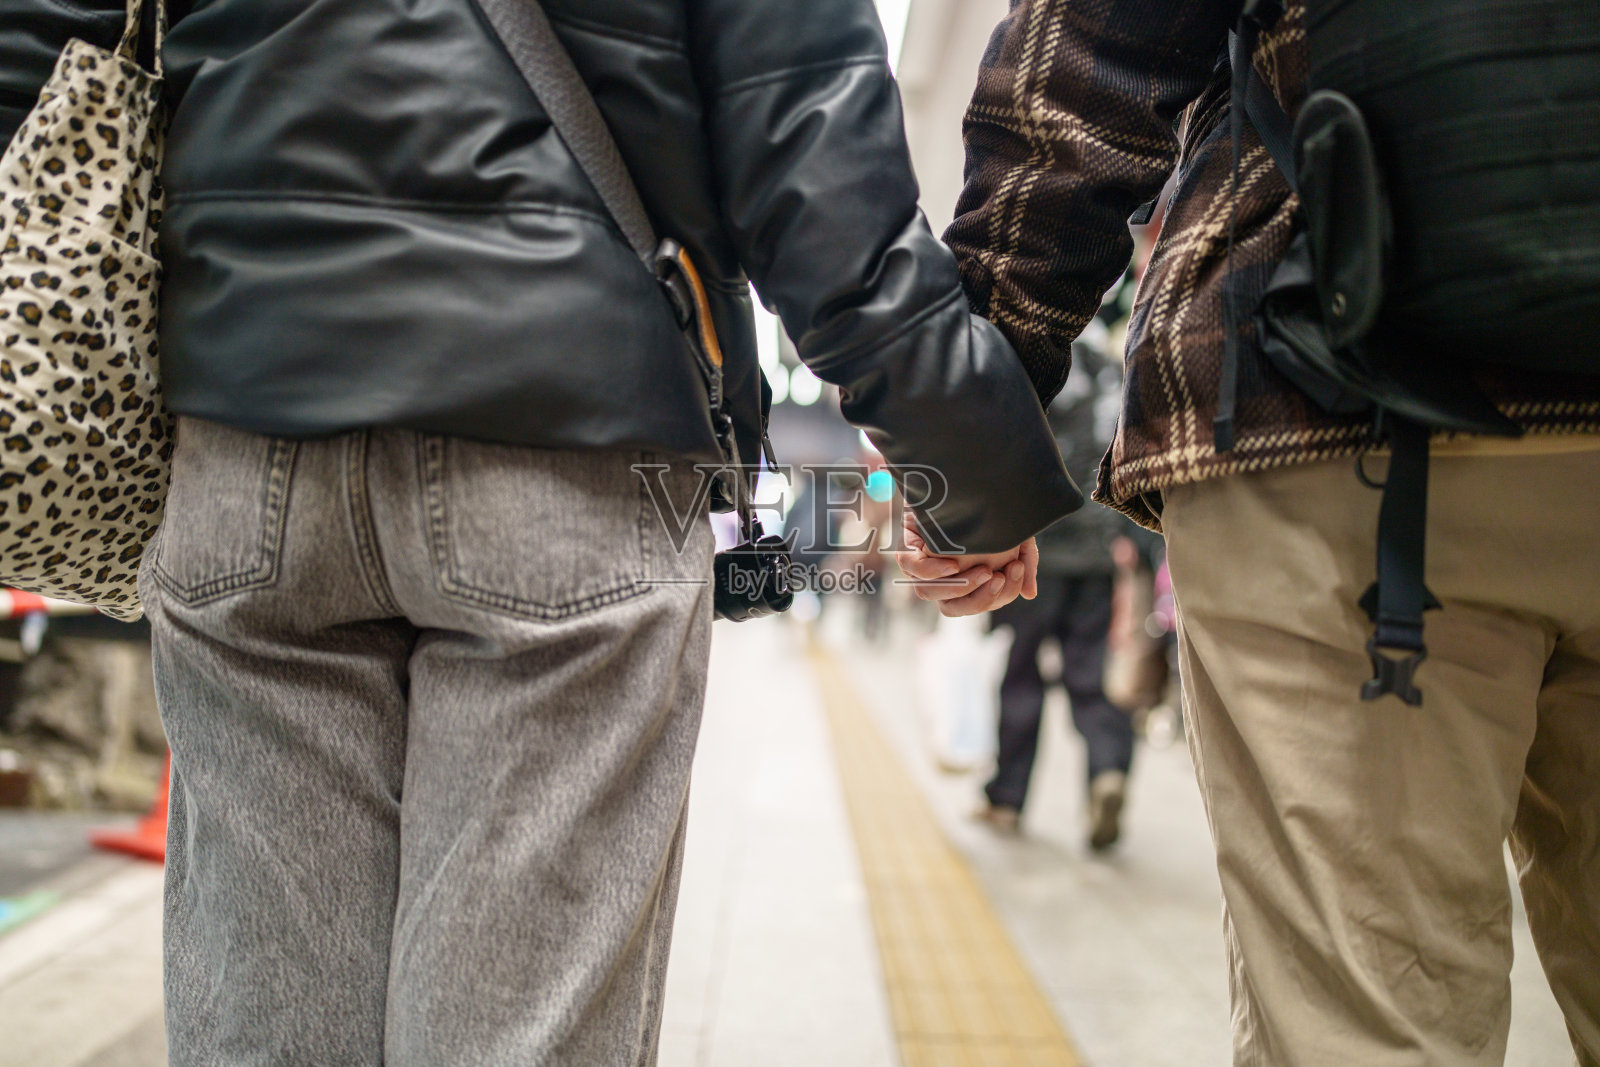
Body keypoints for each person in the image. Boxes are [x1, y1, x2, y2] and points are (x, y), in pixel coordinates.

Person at [0, 1, 1079, 1063]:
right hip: (567, 442)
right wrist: (973, 471)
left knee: (261, 1024)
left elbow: (39, 60)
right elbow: (810, 145)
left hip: (244, 433)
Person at [900, 2, 1600, 1064]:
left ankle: (1052, 771)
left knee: (1369, 1027)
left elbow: (1084, 63)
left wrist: (972, 465)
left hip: (1330, 402)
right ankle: (1097, 763)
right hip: (1381, 431)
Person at [976, 337, 1134, 850]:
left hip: (1037, 550)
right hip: (1098, 551)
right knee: (1089, 676)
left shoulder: (1038, 362)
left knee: (1022, 674)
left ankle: (1006, 798)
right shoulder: (1112, 371)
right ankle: (1107, 772)